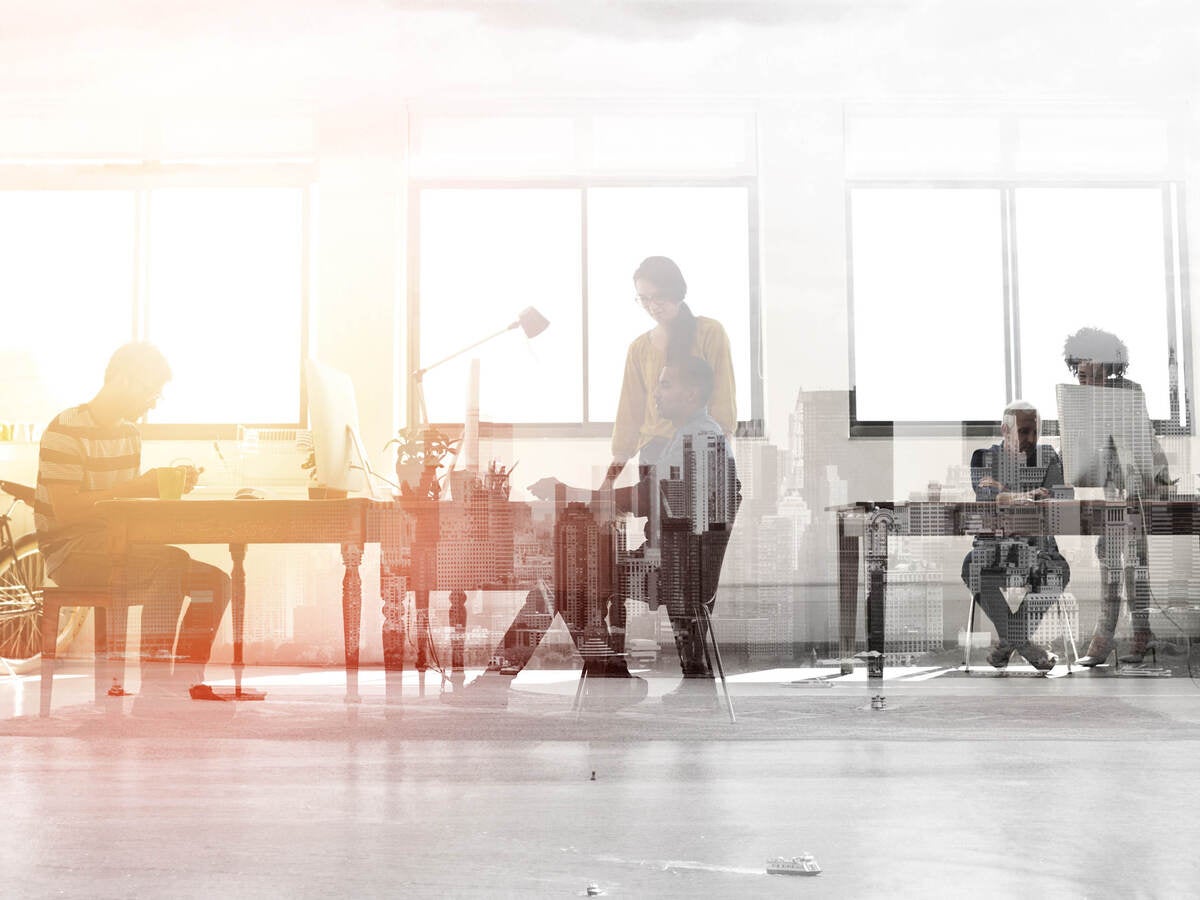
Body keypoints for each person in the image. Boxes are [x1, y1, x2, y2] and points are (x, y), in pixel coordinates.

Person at [34, 342, 230, 704]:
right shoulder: (65, 429)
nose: (154, 402)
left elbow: (123, 506)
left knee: (214, 582)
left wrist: (162, 490)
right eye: (151, 391)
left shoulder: (129, 435)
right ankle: (156, 686)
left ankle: (184, 679)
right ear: (123, 379)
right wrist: (140, 485)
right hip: (70, 553)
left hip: (116, 547)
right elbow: (67, 512)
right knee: (168, 562)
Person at [1062, 327, 1165, 665]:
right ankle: (1104, 637)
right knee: (1108, 564)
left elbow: (1144, 438)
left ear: (1106, 362)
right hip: (1107, 493)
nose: (1081, 370)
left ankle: (1140, 632)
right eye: (1078, 363)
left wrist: (1156, 479)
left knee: (1136, 565)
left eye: (1087, 361)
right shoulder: (1080, 399)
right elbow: (1075, 453)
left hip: (1134, 489)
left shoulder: (1129, 393)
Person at [961, 401, 1069, 671]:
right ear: (1004, 430)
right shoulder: (983, 457)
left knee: (1059, 570)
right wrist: (1027, 495)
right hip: (994, 550)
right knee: (971, 567)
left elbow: (1061, 497)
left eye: (1036, 431)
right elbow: (988, 496)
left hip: (1038, 550)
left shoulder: (1048, 457)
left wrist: (1007, 493)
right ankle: (1024, 644)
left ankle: (1010, 641)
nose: (1031, 439)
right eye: (1024, 432)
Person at [608, 256, 736, 482]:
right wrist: (608, 483)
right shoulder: (639, 349)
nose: (652, 306)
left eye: (659, 297)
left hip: (700, 448)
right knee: (655, 516)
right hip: (653, 454)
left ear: (677, 291)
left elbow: (722, 401)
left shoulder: (710, 332)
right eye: (644, 299)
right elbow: (628, 416)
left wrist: (720, 461)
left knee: (704, 516)